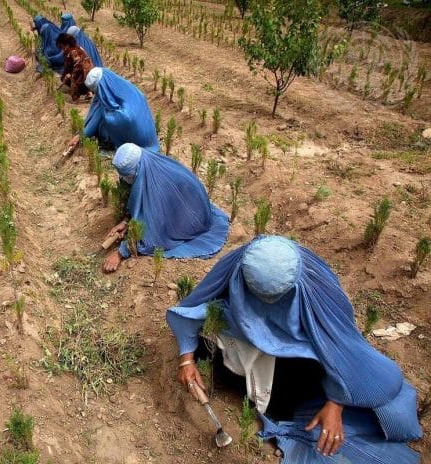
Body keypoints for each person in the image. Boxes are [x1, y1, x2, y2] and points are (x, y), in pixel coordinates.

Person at [167, 235, 422, 463]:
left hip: (294, 364)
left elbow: (340, 347)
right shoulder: (236, 268)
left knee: (286, 400)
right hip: (239, 347)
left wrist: (336, 404)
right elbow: (195, 307)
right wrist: (186, 360)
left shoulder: (315, 290)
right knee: (211, 348)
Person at [102, 143, 229, 273]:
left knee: (155, 236)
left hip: (191, 215)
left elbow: (153, 235)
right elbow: (140, 199)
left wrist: (121, 252)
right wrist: (126, 221)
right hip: (182, 203)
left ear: (138, 168)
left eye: (128, 175)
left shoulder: (157, 187)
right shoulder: (148, 165)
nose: (125, 179)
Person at [67, 68, 160, 152]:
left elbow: (101, 116)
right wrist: (80, 136)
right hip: (149, 134)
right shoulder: (125, 87)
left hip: (135, 140)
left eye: (96, 91)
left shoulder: (123, 115)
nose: (95, 94)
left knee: (102, 124)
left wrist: (82, 135)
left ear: (101, 88)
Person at [56, 33, 94, 102]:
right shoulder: (78, 48)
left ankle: (78, 95)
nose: (62, 49)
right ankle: (88, 92)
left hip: (83, 73)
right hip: (89, 72)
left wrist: (74, 91)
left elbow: (79, 68)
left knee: (70, 79)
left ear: (67, 45)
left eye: (62, 47)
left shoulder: (73, 52)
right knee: (66, 77)